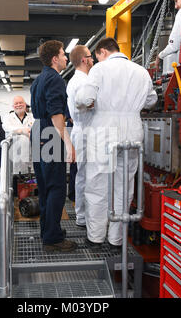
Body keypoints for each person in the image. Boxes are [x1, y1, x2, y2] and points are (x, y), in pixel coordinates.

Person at [75, 37, 158, 250]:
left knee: (97, 185)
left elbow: (84, 98)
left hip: (104, 130)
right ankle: (116, 239)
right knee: (124, 186)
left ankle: (95, 237)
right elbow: (152, 100)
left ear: (102, 51)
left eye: (96, 56)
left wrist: (87, 103)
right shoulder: (140, 71)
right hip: (132, 129)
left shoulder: (100, 70)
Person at [30, 40, 77, 252]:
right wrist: (68, 143)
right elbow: (56, 113)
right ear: (54, 59)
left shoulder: (38, 80)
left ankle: (47, 230)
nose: (67, 58)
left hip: (38, 131)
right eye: (63, 54)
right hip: (50, 133)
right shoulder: (55, 79)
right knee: (57, 187)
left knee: (45, 188)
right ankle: (53, 238)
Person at [66, 45, 94, 228]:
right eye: (91, 56)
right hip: (86, 131)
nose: (93, 60)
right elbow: (87, 105)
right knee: (86, 176)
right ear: (84, 59)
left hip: (82, 130)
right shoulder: (83, 81)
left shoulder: (75, 80)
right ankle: (83, 216)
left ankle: (82, 215)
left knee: (83, 175)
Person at [3, 95, 35, 175]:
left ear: (25, 104)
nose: (18, 105)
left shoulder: (32, 117)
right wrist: (23, 131)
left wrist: (18, 131)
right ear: (13, 106)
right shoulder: (8, 117)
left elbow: (35, 130)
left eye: (21, 103)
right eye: (16, 103)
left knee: (30, 179)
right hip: (14, 155)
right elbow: (8, 128)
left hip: (31, 153)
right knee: (15, 179)